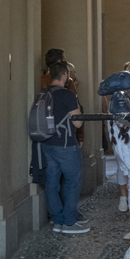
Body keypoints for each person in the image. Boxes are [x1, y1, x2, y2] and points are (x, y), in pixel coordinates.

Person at [41, 61, 87, 235]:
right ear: (65, 75)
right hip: (66, 145)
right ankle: (69, 222)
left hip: (46, 144)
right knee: (72, 181)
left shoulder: (42, 94)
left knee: (52, 182)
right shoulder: (68, 95)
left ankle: (57, 220)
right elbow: (77, 123)